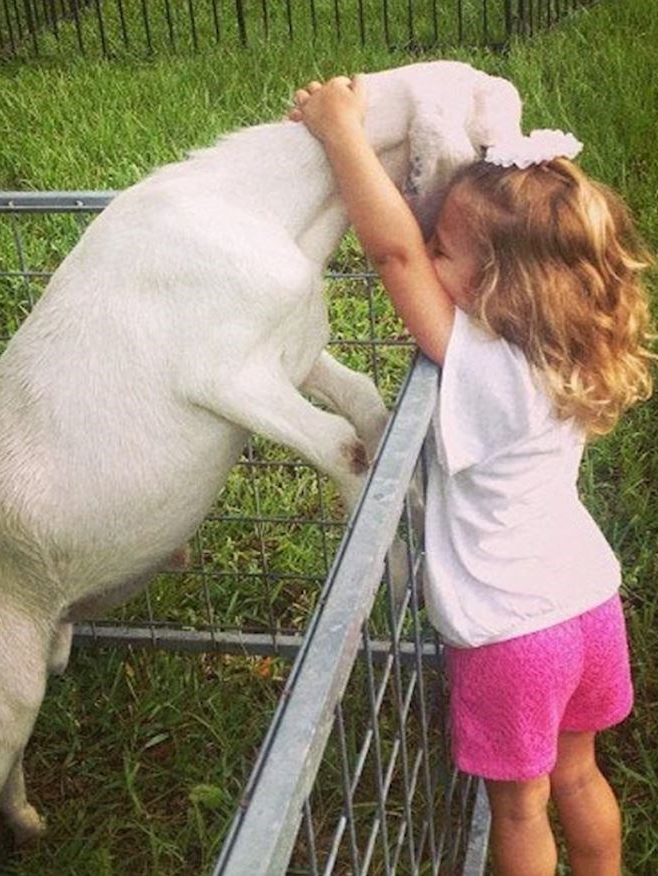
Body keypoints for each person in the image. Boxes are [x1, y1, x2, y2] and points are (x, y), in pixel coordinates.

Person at [289, 75, 654, 876]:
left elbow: (391, 251)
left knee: (518, 810)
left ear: (497, 286)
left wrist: (340, 131)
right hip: (589, 603)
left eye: (445, 251)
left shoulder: (484, 368)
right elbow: (414, 251)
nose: (430, 256)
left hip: (511, 632)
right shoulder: (570, 354)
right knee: (580, 773)